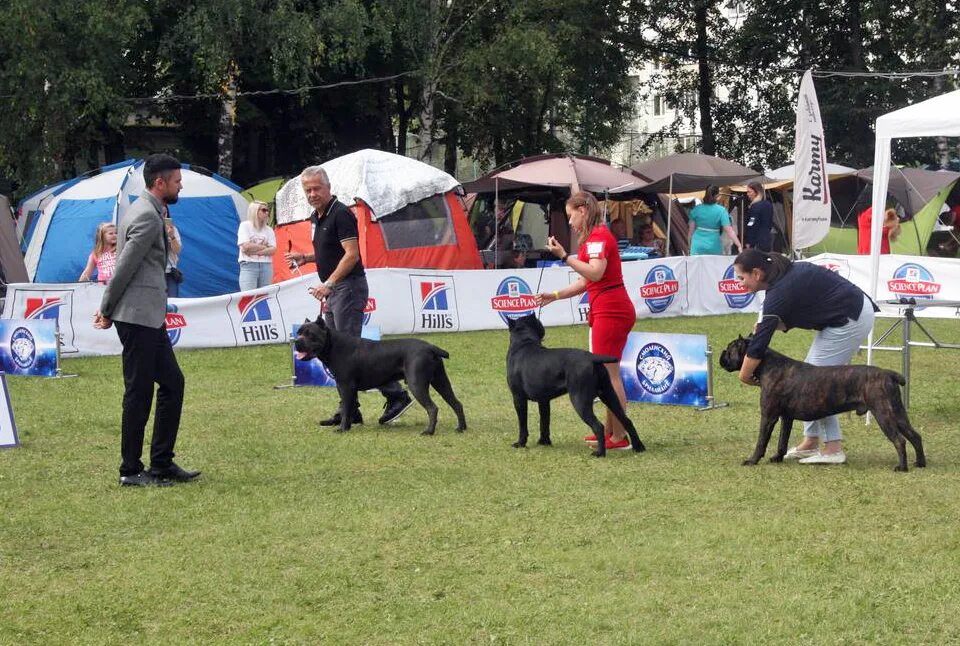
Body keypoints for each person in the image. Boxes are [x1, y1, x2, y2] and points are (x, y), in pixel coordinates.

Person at [94, 153, 199, 487]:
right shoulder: (147, 216)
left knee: (172, 384)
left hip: (147, 315)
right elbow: (125, 265)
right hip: (137, 316)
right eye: (177, 181)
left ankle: (162, 463)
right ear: (160, 183)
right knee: (138, 391)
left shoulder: (149, 211)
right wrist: (106, 307)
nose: (180, 186)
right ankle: (130, 470)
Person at [283, 166, 412, 427]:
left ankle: (396, 395)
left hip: (347, 288)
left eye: (317, 188)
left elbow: (351, 254)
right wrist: (306, 257)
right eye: (307, 190)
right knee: (333, 351)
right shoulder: (317, 217)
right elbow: (330, 250)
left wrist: (329, 283)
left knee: (351, 353)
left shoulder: (341, 214)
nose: (312, 194)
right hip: (334, 290)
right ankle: (350, 410)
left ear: (328, 188)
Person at [733, 249, 877, 465]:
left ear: (756, 273)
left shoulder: (778, 291)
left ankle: (833, 448)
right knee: (809, 377)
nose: (739, 283)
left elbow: (759, 346)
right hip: (844, 315)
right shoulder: (779, 279)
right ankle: (811, 441)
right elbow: (795, 310)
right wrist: (770, 325)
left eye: (741, 278)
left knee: (816, 382)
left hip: (851, 318)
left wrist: (744, 376)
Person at [535, 191, 637, 451]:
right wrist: (555, 295)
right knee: (606, 375)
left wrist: (563, 256)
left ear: (583, 210)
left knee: (610, 375)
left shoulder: (599, 237)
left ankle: (619, 436)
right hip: (607, 309)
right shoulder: (592, 239)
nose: (569, 222)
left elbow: (595, 271)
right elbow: (585, 281)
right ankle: (611, 431)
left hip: (611, 311)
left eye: (571, 216)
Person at [688, 185, 742, 255]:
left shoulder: (696, 209)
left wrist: (689, 246)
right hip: (713, 245)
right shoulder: (721, 210)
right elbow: (729, 231)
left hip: (697, 244)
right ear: (717, 195)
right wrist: (739, 245)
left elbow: (690, 231)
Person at [238, 200, 277, 290]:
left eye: (267, 210)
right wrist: (265, 247)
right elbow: (246, 246)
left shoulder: (269, 229)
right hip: (249, 265)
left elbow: (273, 250)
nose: (267, 212)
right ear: (255, 211)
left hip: (266, 266)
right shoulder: (245, 225)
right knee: (248, 297)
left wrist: (253, 250)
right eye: (263, 210)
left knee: (264, 297)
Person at [743, 181, 773, 251]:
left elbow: (752, 224)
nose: (747, 194)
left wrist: (748, 241)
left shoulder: (755, 207)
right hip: (767, 238)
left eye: (749, 192)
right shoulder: (768, 204)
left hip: (757, 241)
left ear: (757, 192)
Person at [164, 215, 183, 297]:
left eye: (164, 213)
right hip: (154, 271)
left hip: (170, 271)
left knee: (172, 300)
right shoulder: (149, 228)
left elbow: (177, 250)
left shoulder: (173, 230)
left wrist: (171, 236)